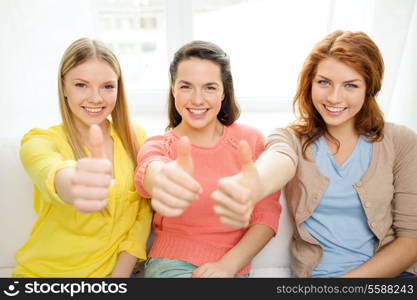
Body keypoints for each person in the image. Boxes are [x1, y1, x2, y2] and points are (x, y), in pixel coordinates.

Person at [212, 30, 417, 278]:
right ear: (310, 83)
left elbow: (411, 241)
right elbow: (279, 160)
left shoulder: (401, 142)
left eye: (351, 85)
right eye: (324, 82)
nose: (334, 97)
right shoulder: (290, 139)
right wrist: (253, 184)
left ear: (369, 88)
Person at [134, 41, 281, 278]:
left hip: (232, 269)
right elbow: (150, 171)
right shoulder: (159, 145)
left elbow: (266, 217)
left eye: (210, 87)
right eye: (186, 87)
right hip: (172, 264)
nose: (197, 99)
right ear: (173, 90)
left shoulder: (250, 141)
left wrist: (228, 265)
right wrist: (166, 180)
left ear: (224, 91)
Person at [13, 38, 152, 278]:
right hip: (47, 276)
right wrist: (75, 182)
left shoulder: (135, 137)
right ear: (63, 87)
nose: (96, 98)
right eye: (81, 85)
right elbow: (51, 171)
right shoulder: (39, 142)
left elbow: (143, 214)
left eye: (108, 86)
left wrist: (119, 276)